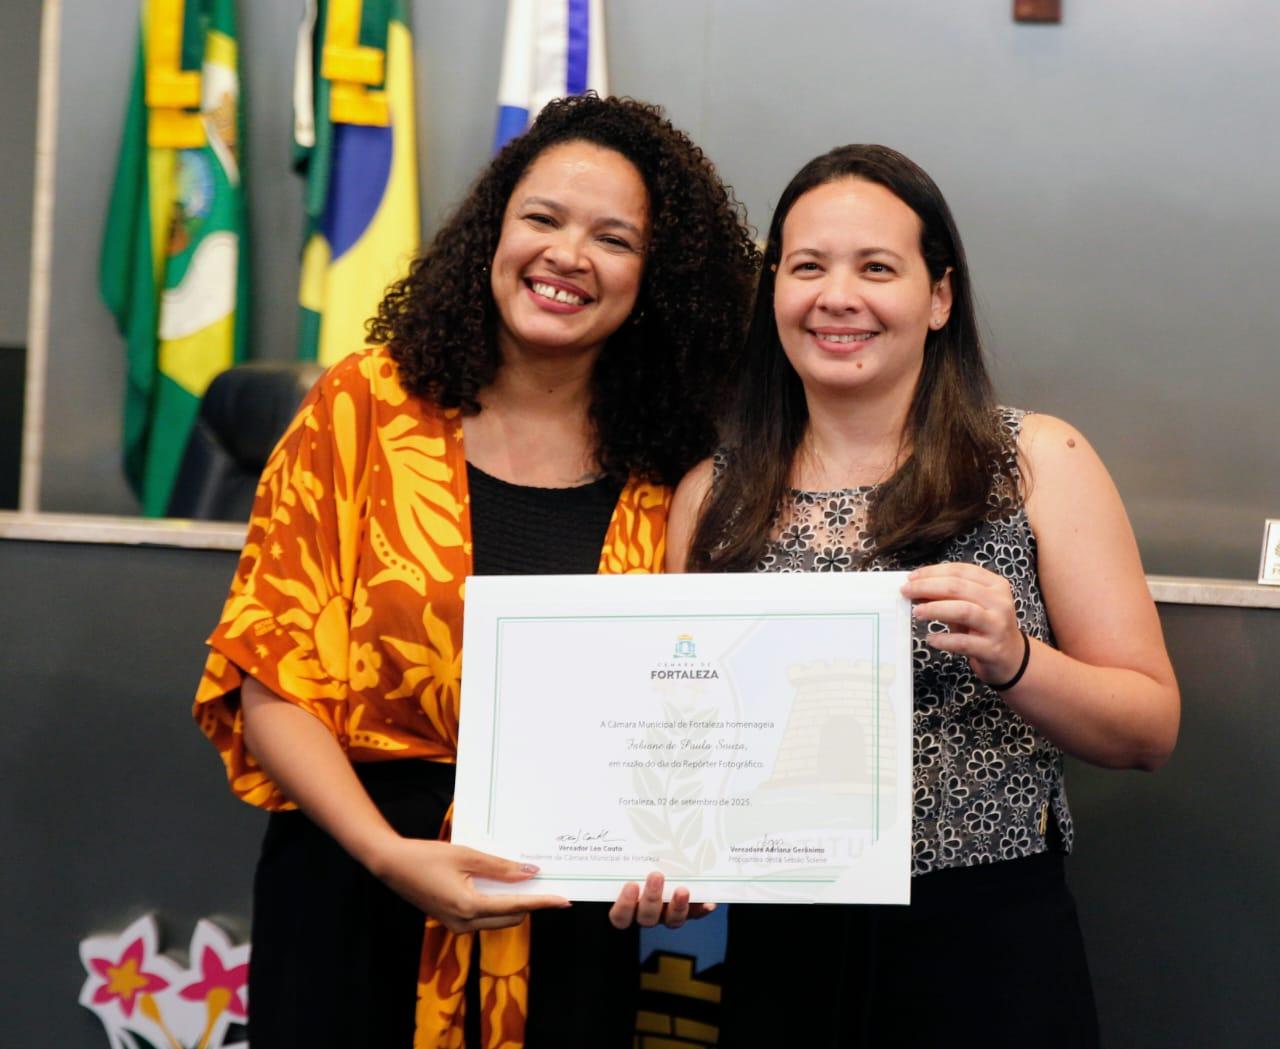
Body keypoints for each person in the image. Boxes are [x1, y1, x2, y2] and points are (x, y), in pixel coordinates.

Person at [192, 94, 759, 1048]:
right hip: (353, 883)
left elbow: (690, 717)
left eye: (613, 238)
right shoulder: (362, 406)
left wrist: (679, 853)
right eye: (543, 218)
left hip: (566, 910)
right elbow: (270, 678)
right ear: (494, 230)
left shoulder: (677, 469)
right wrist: (387, 853)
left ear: (656, 275)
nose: (568, 255)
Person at [661, 144, 1180, 1047]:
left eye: (876, 268)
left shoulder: (1036, 462)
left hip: (986, 940)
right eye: (808, 266)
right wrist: (662, 854)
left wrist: (1017, 660)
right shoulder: (713, 494)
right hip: (784, 943)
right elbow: (685, 742)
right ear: (773, 288)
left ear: (939, 296)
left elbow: (1149, 727)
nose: (837, 297)